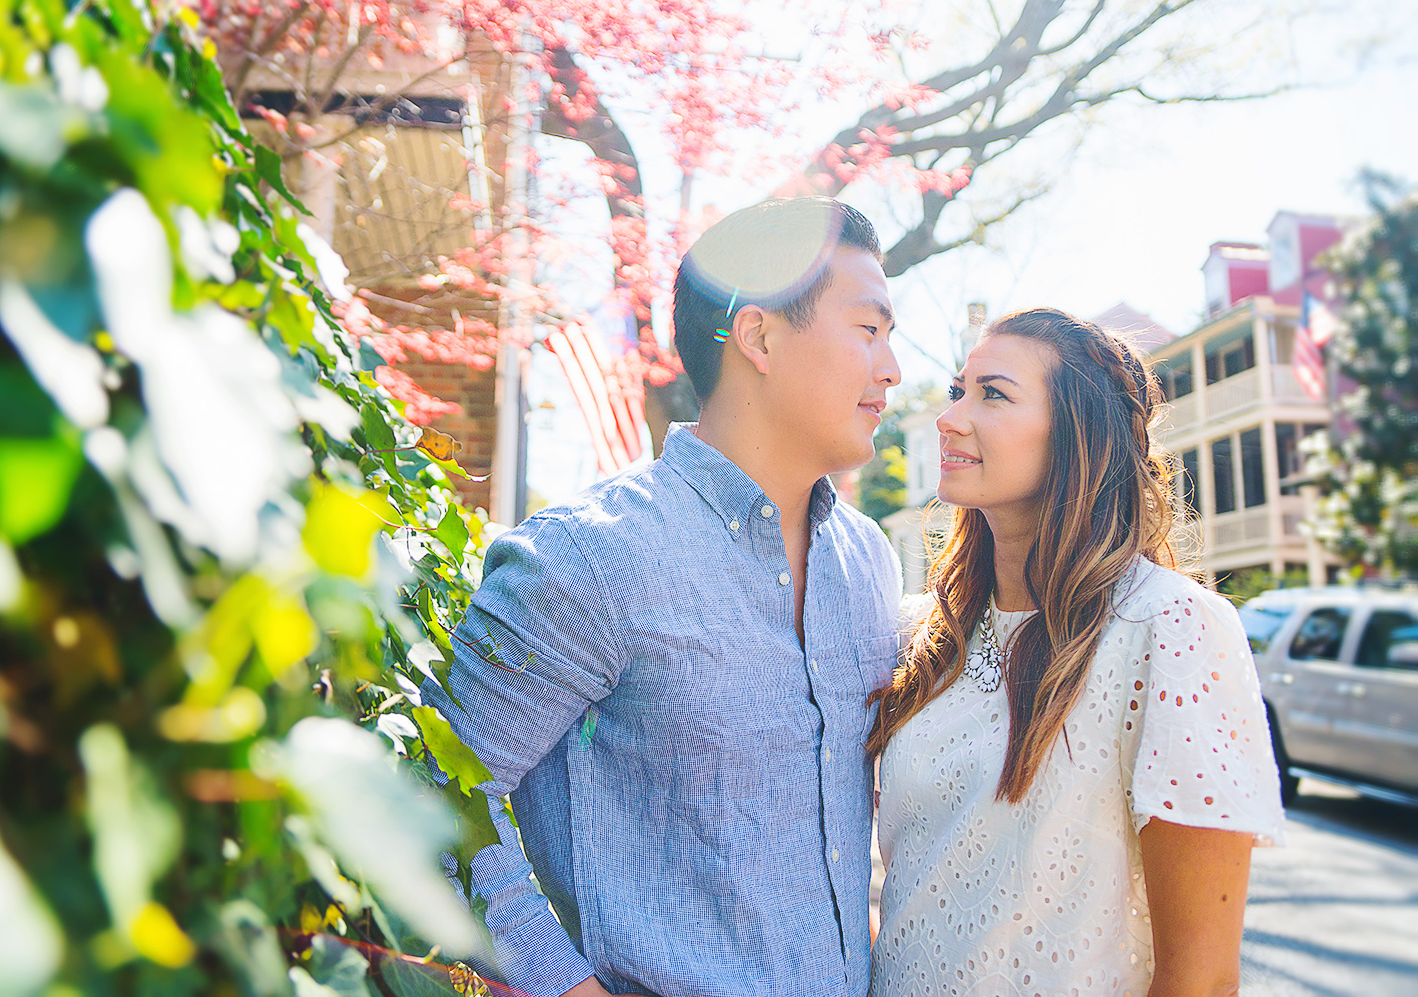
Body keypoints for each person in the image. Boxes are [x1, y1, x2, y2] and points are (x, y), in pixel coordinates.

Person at [427, 197, 903, 997]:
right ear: (757, 336)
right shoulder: (588, 557)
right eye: (867, 329)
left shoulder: (869, 563)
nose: (891, 367)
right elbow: (436, 797)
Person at [868, 308, 1285, 997]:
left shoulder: (1170, 627)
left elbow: (1202, 977)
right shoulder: (924, 635)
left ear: (1075, 434)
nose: (949, 417)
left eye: (992, 393)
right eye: (956, 391)